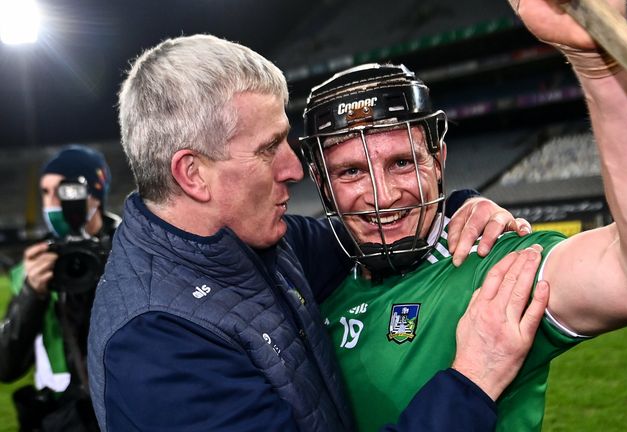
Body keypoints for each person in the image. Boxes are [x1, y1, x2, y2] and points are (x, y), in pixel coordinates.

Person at [86, 33, 547, 432]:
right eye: (269, 149)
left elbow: (379, 227)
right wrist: (471, 382)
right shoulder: (156, 348)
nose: (294, 169)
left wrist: (460, 207)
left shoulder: (260, 243)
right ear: (193, 174)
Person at [299, 1, 627, 430]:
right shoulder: (311, 283)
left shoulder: (492, 267)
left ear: (438, 161)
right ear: (322, 185)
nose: (383, 195)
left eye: (402, 162)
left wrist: (599, 61)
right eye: (351, 171)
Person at [0, 145, 119, 431]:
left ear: (94, 193)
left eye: (64, 190)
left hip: (125, 407)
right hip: (63, 417)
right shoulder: (32, 267)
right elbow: (6, 367)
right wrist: (32, 293)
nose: (52, 202)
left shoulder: (132, 250)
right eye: (45, 192)